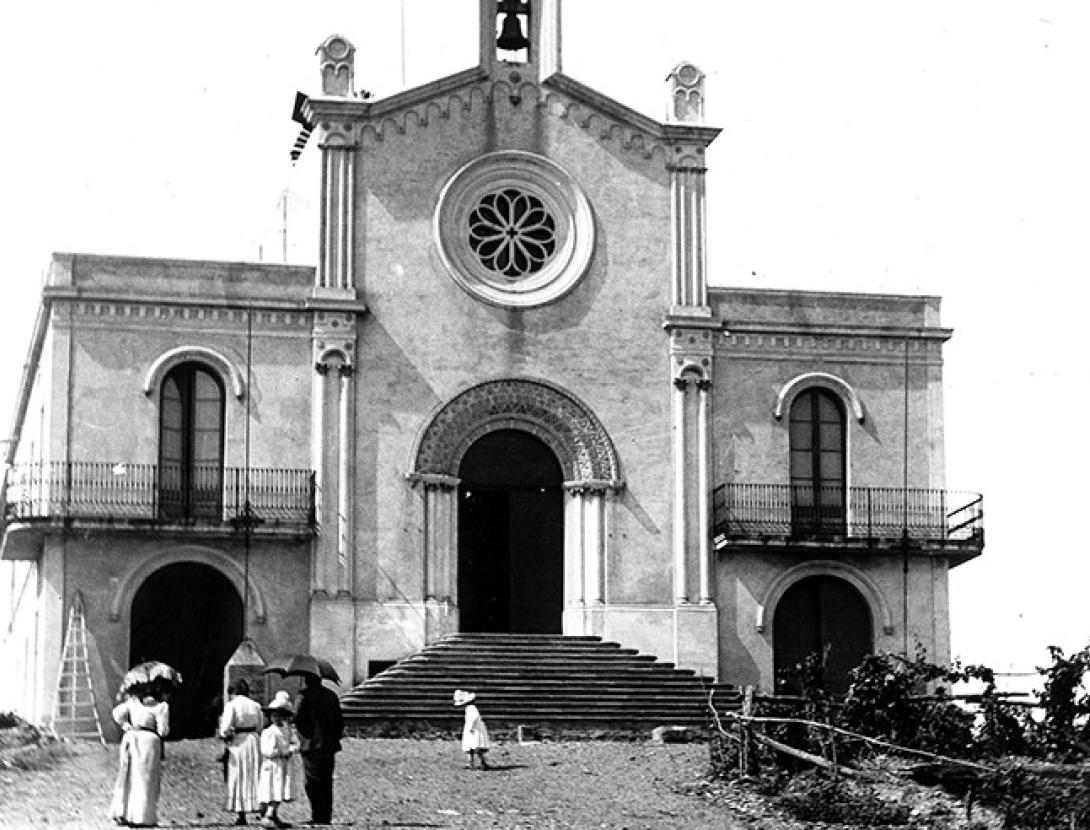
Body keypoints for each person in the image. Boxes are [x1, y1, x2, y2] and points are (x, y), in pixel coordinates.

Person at [109, 682, 170, 827]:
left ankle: (122, 812)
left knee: (128, 775)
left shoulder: (133, 703)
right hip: (149, 740)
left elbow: (117, 713)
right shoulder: (161, 707)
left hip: (132, 736)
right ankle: (142, 816)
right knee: (146, 778)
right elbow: (163, 731)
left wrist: (126, 725)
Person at [293, 672, 343, 826]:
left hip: (310, 743)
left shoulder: (303, 696)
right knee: (326, 780)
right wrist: (335, 738)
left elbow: (297, 716)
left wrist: (302, 733)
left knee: (312, 781)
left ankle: (317, 814)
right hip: (329, 744)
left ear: (306, 680)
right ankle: (325, 815)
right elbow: (339, 721)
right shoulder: (331, 695)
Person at [218, 678, 264, 825]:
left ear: (233, 692)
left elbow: (225, 729)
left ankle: (241, 814)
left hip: (238, 742)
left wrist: (226, 735)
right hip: (253, 740)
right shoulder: (256, 705)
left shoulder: (231, 706)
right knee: (253, 774)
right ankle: (260, 807)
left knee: (238, 774)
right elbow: (260, 726)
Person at [258, 690, 298, 829]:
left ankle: (274, 816)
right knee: (272, 789)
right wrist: (282, 751)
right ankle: (268, 815)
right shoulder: (269, 731)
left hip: (283, 764)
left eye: (279, 715)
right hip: (273, 764)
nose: (276, 718)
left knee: (279, 789)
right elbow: (267, 751)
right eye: (274, 715)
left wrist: (292, 748)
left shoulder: (286, 729)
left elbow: (293, 742)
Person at [453, 689, 489, 770]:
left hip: (474, 729)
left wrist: (471, 727)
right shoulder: (469, 708)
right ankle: (471, 762)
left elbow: (473, 718)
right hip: (472, 728)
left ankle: (480, 762)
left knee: (475, 746)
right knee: (470, 747)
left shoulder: (471, 708)